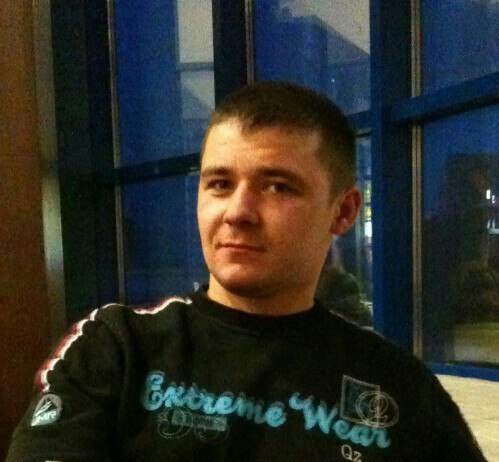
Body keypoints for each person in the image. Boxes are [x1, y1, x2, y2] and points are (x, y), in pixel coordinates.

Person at [7, 82, 486, 461]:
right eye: (219, 184)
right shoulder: (117, 349)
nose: (237, 212)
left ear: (343, 212)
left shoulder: (399, 389)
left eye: (277, 187)